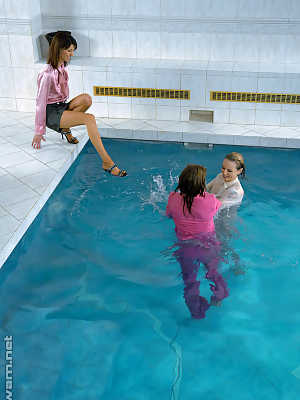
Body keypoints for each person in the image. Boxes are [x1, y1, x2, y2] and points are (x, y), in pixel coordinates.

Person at [32, 31, 126, 177]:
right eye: (69, 51)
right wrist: (39, 131)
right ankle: (107, 162)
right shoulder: (46, 74)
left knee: (86, 99)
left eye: (72, 51)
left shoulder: (62, 68)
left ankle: (66, 129)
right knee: (89, 118)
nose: (72, 54)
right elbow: (40, 103)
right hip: (51, 114)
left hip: (60, 106)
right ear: (59, 50)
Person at [166, 165, 229, 319]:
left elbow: (168, 214)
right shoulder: (209, 200)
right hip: (208, 246)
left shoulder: (173, 198)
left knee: (190, 282)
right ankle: (218, 297)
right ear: (201, 185)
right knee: (214, 274)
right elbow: (218, 207)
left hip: (186, 249)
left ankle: (196, 312)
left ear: (181, 182)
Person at [207, 152, 246, 273]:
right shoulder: (220, 176)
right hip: (213, 216)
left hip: (224, 222)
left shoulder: (236, 191)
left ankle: (237, 265)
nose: (224, 173)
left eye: (229, 170)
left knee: (223, 245)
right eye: (223, 168)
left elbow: (215, 207)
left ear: (239, 171)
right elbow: (206, 188)